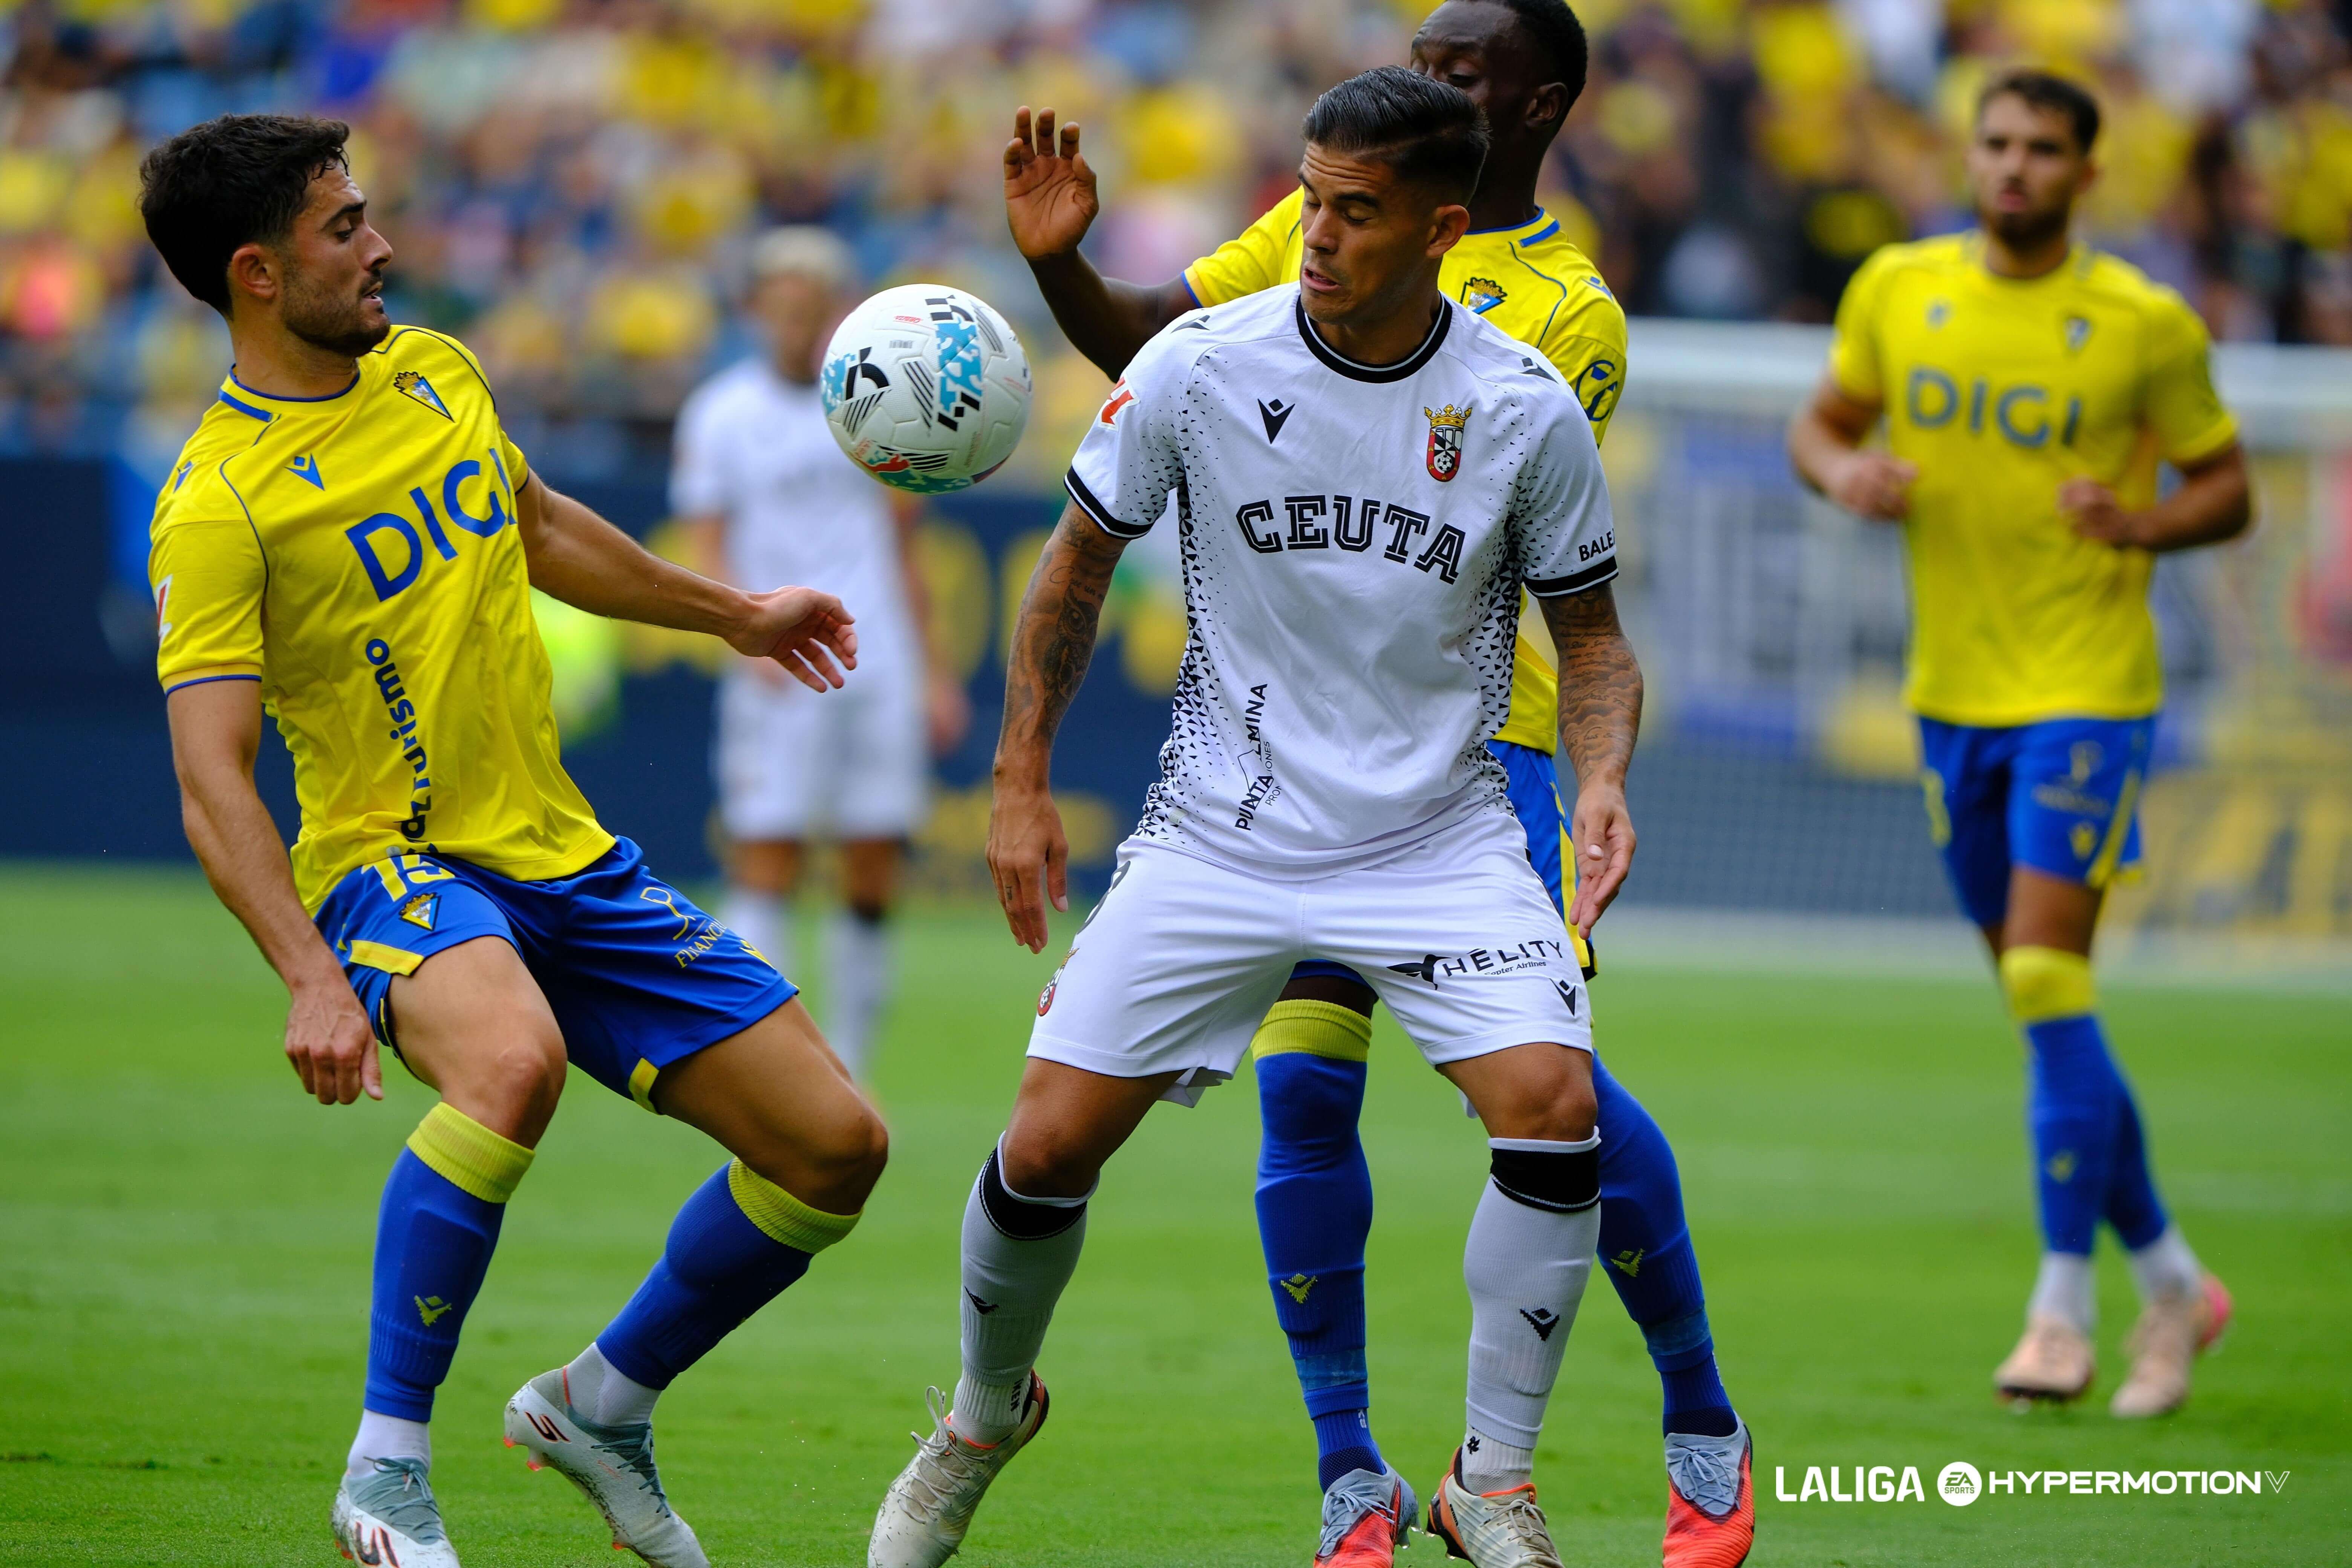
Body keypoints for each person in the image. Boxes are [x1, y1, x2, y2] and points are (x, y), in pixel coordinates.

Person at [1001, 3, 1750, 1563]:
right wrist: (1062, 267)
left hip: (1490, 745)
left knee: (1562, 1105)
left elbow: (1494, 511)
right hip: (1290, 752)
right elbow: (1165, 360)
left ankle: (1696, 1407)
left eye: (1464, 71)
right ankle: (1353, 1473)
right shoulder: (1326, 199)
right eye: (1423, 51)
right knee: (1302, 1080)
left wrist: (1599, 771)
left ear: (1535, 109)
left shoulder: (1564, 316)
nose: (1429, 79)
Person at [871, 67, 1638, 1568]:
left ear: (1443, 227)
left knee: (1556, 1108)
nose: (1317, 235)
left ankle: (1492, 1474)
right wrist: (1021, 772)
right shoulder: (1202, 365)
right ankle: (977, 1416)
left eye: (1356, 214)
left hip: (1439, 837)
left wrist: (1601, 777)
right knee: (1044, 1146)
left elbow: (1594, 640)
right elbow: (1076, 563)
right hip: (1222, 831)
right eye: (1308, 201)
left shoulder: (1524, 409)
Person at [139, 114, 885, 1568]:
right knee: (510, 1062)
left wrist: (736, 615)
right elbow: (212, 780)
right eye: (343, 227)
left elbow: (535, 526)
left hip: (557, 850)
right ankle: (387, 1469)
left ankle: (598, 1407)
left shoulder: (436, 370)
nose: (383, 246)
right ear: (256, 274)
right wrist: (307, 975)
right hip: (389, 862)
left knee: (834, 1149)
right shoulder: (218, 502)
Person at [1788, 69, 2246, 1419]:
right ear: (1969, 155)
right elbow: (1824, 423)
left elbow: (2224, 484)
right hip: (1954, 698)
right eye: (1997, 143)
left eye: (2046, 149)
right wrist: (1844, 475)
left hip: (2090, 689)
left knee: (2048, 978)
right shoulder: (1898, 289)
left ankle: (2063, 1312)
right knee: (2048, 1011)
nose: (2016, 167)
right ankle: (2177, 1281)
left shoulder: (2142, 325)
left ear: (2088, 175)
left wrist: (2145, 524)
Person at [674, 226, 969, 1081]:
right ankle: (761, 1064)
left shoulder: (877, 401)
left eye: (815, 298)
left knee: (874, 854)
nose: (798, 314)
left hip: (877, 658)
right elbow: (705, 541)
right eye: (783, 297)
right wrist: (742, 633)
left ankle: (852, 1065)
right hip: (780, 663)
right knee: (768, 851)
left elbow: (908, 544)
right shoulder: (722, 413)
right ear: (758, 306)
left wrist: (936, 671)